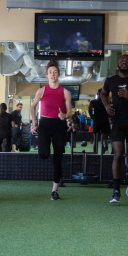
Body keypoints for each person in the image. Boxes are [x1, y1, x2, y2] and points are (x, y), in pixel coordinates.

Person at [101, 54, 128, 204]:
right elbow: (103, 93)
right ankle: (116, 191)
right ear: (118, 64)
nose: (125, 62)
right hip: (117, 123)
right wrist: (106, 106)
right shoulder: (111, 81)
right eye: (122, 61)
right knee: (118, 155)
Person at [31, 60, 72, 200]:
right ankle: (44, 150)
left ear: (59, 74)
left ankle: (55, 190)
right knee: (43, 154)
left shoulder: (66, 92)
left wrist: (65, 115)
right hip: (44, 124)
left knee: (58, 158)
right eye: (50, 72)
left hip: (59, 125)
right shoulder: (41, 91)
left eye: (55, 72)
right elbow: (33, 106)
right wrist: (34, 122)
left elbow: (70, 112)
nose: (53, 74)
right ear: (47, 75)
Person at [88, 89, 110, 154]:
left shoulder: (93, 101)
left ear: (97, 94)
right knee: (105, 138)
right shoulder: (106, 102)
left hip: (96, 120)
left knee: (95, 138)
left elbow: (90, 108)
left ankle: (95, 153)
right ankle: (106, 150)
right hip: (105, 120)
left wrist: (91, 115)